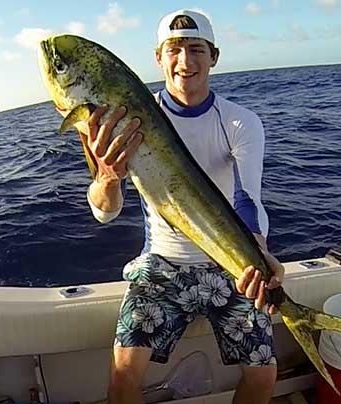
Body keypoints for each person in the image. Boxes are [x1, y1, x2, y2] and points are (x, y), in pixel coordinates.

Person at [77, 9, 285, 404]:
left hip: (230, 267)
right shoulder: (128, 119)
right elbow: (105, 212)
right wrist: (107, 178)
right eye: (174, 49)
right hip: (162, 263)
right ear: (158, 58)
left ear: (214, 56)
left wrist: (259, 251)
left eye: (196, 49)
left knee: (263, 376)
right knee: (121, 380)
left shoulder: (240, 122)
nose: (185, 61)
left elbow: (246, 199)